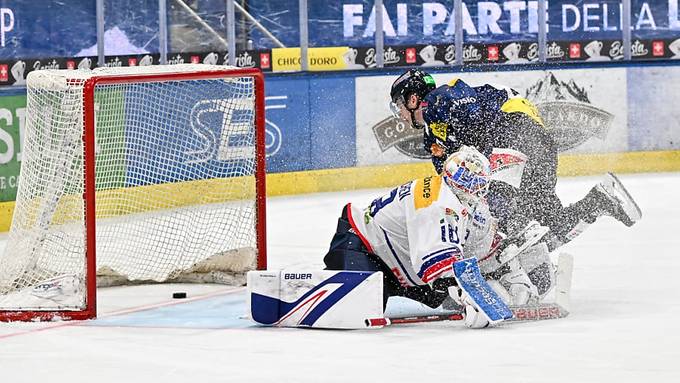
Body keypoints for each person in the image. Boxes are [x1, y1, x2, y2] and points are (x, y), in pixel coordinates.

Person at [388, 69, 642, 262]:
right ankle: (599, 201)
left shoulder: (439, 98)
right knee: (550, 224)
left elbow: (477, 121)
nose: (399, 113)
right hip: (539, 146)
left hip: (515, 133)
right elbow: (450, 181)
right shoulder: (432, 136)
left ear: (412, 99)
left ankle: (508, 235)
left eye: (399, 105)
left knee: (501, 216)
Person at [323, 146, 536, 328]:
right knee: (355, 309)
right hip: (361, 246)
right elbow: (437, 265)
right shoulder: (436, 202)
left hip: (397, 267)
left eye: (479, 183)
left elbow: (480, 249)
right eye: (473, 183)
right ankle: (312, 289)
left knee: (436, 293)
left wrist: (508, 268)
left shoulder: (471, 205)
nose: (477, 189)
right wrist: (470, 297)